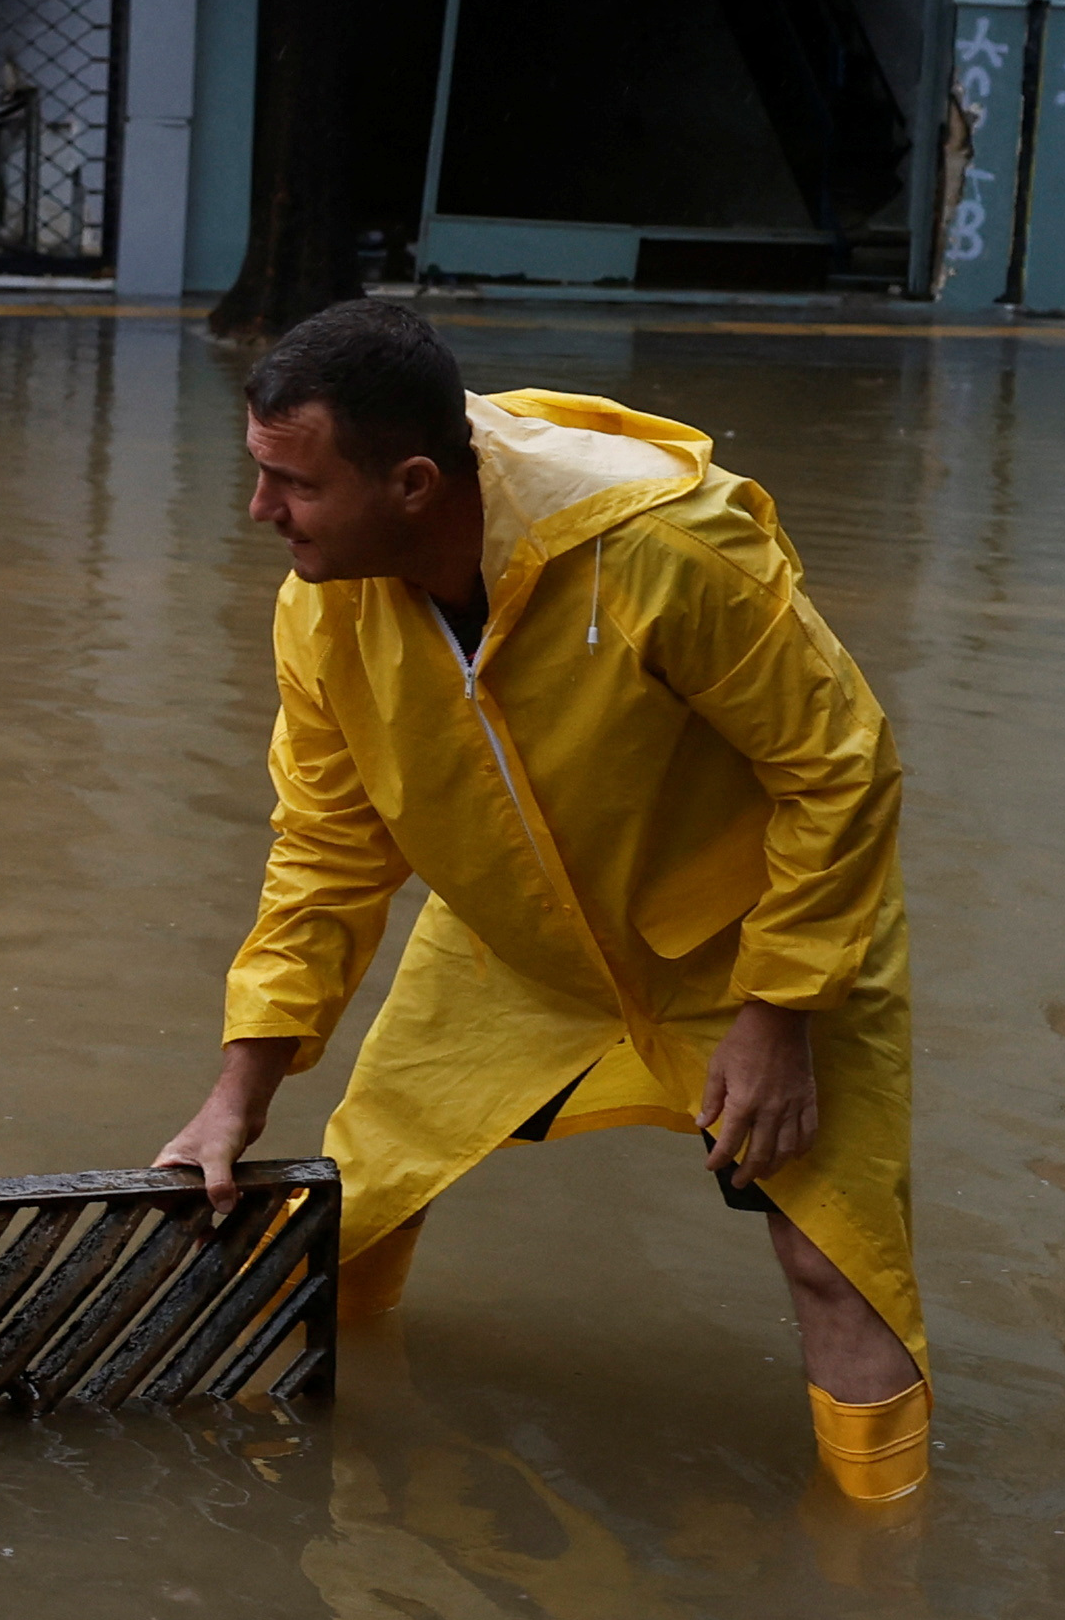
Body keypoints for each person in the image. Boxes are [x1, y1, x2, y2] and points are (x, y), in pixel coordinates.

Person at [155, 299, 935, 1499]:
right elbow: (326, 847)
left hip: (756, 945)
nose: (261, 513)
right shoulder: (324, 602)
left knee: (837, 1263)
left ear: (414, 484)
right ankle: (323, 1476)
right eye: (259, 475)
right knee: (350, 1218)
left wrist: (780, 1013)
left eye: (292, 485)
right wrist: (236, 1092)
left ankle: (881, 1582)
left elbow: (840, 767)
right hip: (508, 939)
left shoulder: (663, 547)